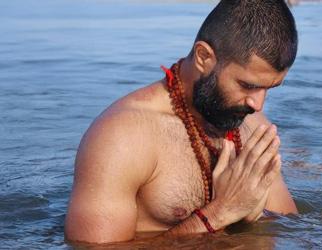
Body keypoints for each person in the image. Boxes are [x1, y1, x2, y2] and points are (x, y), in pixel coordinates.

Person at [65, 0, 298, 244]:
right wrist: (220, 212)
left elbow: (291, 228)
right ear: (203, 57)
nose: (258, 104)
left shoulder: (252, 125)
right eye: (247, 85)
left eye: (268, 88)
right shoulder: (121, 137)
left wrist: (254, 213)